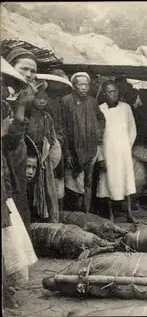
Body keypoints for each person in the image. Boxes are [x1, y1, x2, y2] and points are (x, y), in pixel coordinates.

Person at [2, 71, 38, 311]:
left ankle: (6, 293)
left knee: (9, 240)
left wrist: (21, 108)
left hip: (5, 180)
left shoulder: (5, 106)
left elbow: (11, 140)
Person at [60, 72, 105, 213]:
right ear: (74, 86)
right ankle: (76, 214)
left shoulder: (92, 101)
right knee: (73, 186)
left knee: (88, 182)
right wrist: (67, 152)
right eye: (81, 84)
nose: (84, 87)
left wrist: (99, 132)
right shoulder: (66, 101)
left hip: (90, 148)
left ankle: (86, 213)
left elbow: (101, 118)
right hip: (73, 149)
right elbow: (63, 127)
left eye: (86, 84)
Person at [3, 49, 38, 229]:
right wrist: (22, 105)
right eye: (24, 68)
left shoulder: (24, 94)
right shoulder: (4, 94)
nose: (29, 74)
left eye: (33, 71)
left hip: (18, 158)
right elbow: (9, 139)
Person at [96, 81, 137, 223]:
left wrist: (127, 146)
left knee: (126, 182)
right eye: (108, 92)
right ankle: (111, 214)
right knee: (109, 183)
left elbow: (132, 130)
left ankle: (129, 213)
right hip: (108, 151)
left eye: (114, 91)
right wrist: (100, 156)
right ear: (104, 94)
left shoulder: (126, 108)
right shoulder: (100, 109)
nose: (112, 95)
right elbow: (98, 136)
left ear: (118, 92)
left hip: (123, 151)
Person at [26, 88, 61, 223]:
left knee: (46, 187)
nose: (41, 101)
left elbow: (52, 138)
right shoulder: (28, 115)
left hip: (44, 156)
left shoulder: (48, 117)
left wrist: (46, 149)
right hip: (28, 156)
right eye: (38, 98)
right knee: (29, 186)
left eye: (45, 99)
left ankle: (44, 216)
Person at [44, 69, 71, 211]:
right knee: (50, 178)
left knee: (59, 177)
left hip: (60, 142)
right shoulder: (44, 100)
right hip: (49, 143)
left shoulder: (60, 101)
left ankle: (58, 211)